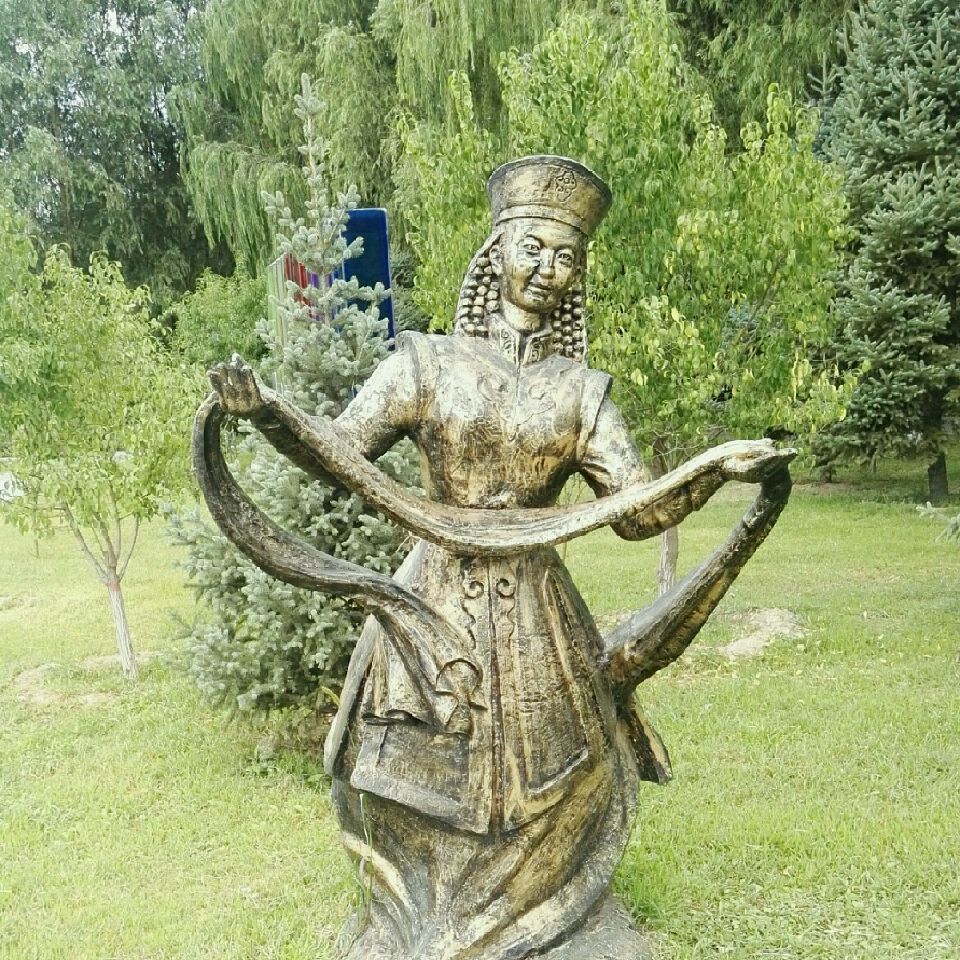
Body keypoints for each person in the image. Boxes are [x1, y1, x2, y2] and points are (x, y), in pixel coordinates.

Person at [200, 155, 791, 959]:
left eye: (567, 257)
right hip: (432, 610)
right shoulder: (426, 364)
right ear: (496, 252)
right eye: (533, 248)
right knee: (414, 776)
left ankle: (531, 913)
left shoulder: (581, 392)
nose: (549, 269)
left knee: (552, 779)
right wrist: (265, 410)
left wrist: (717, 469)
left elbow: (638, 513)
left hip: (539, 619)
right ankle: (419, 914)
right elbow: (340, 450)